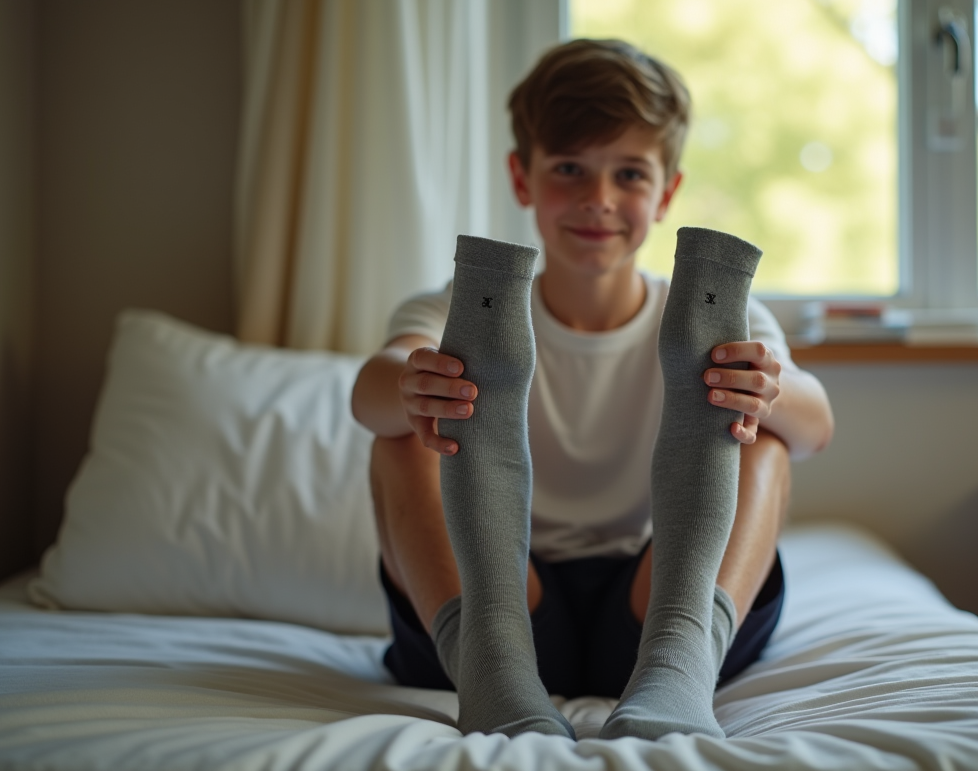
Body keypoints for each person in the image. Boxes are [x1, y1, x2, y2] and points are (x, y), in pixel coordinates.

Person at [350, 38, 834, 741]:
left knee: (763, 433)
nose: (598, 200)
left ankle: (680, 665)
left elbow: (816, 426)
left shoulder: (714, 319)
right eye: (569, 169)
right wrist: (410, 384)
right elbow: (367, 392)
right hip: (500, 593)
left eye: (629, 174)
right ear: (523, 178)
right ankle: (492, 666)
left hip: (657, 599)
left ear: (667, 191)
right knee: (401, 431)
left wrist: (767, 390)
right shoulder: (459, 307)